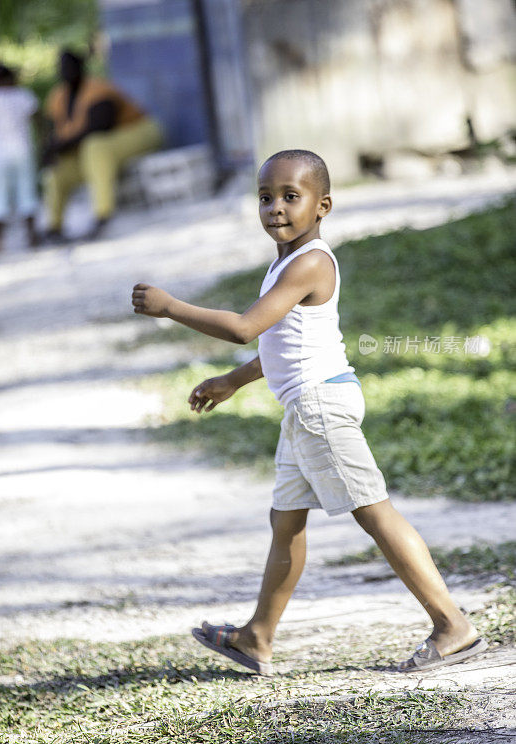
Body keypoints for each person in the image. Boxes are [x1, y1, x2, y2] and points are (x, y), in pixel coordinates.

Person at [131, 149, 487, 676]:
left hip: (321, 406)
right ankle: (257, 637)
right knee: (286, 522)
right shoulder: (286, 261)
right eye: (265, 197)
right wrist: (233, 380)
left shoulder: (312, 261)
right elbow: (281, 343)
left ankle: (452, 623)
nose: (275, 208)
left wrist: (171, 307)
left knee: (374, 512)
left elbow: (244, 327)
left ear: (322, 206)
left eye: (290, 197)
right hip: (305, 408)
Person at [43, 49, 162, 242]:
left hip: (138, 132)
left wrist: (60, 145)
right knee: (57, 167)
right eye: (62, 67)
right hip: (93, 150)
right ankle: (53, 227)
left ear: (80, 67)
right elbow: (54, 133)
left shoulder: (98, 90)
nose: (66, 71)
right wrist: (51, 150)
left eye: (69, 66)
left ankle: (103, 216)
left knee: (95, 146)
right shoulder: (57, 97)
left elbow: (99, 127)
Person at [0, 62, 39, 254]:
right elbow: (36, 118)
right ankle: (32, 237)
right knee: (27, 193)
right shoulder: (23, 95)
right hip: (22, 151)